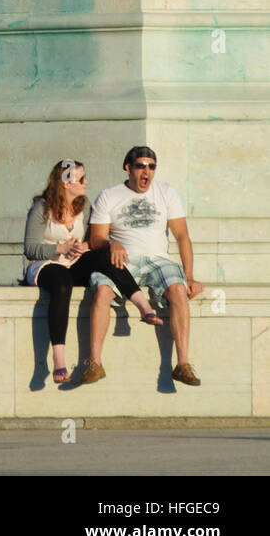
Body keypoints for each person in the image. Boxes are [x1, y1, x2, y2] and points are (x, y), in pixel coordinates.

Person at [23, 160, 162, 385]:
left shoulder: (84, 206)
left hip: (73, 262)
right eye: (81, 179)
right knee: (62, 284)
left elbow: (90, 241)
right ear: (66, 183)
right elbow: (30, 249)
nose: (86, 182)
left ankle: (143, 306)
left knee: (105, 255)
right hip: (46, 266)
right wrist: (60, 248)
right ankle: (58, 359)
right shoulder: (41, 207)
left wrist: (84, 246)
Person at [82, 147, 204, 386]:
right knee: (102, 291)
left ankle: (182, 364)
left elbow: (181, 236)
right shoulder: (109, 195)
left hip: (158, 260)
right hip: (122, 260)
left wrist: (189, 276)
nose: (146, 171)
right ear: (128, 168)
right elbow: (96, 239)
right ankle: (94, 363)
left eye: (151, 166)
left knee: (179, 289)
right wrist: (112, 243)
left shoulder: (166, 192)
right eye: (140, 166)